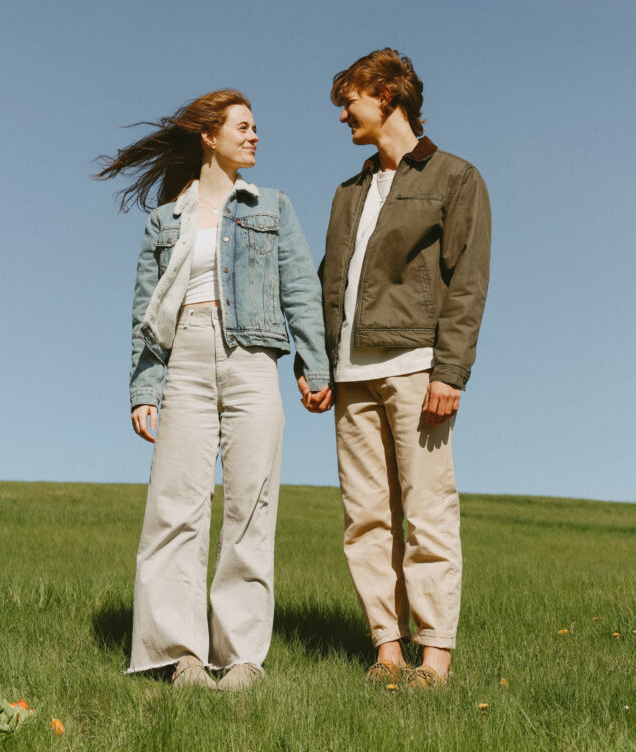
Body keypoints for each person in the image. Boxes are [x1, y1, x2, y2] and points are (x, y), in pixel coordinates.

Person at [97, 90, 332, 691]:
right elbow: (146, 311)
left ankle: (242, 656)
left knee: (251, 503)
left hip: (253, 358)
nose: (255, 137)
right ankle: (182, 656)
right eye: (244, 127)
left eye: (256, 128)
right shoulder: (165, 220)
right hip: (186, 359)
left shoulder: (271, 206)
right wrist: (144, 387)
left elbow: (301, 288)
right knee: (175, 505)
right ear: (210, 135)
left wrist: (314, 362)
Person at [312, 48, 490, 687]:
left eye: (350, 100)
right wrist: (320, 364)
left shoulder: (455, 178)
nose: (343, 114)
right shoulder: (349, 191)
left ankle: (434, 657)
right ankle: (387, 651)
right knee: (365, 515)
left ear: (387, 95)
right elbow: (328, 282)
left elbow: (466, 283)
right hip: (351, 374)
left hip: (418, 367)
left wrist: (451, 371)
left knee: (428, 511)